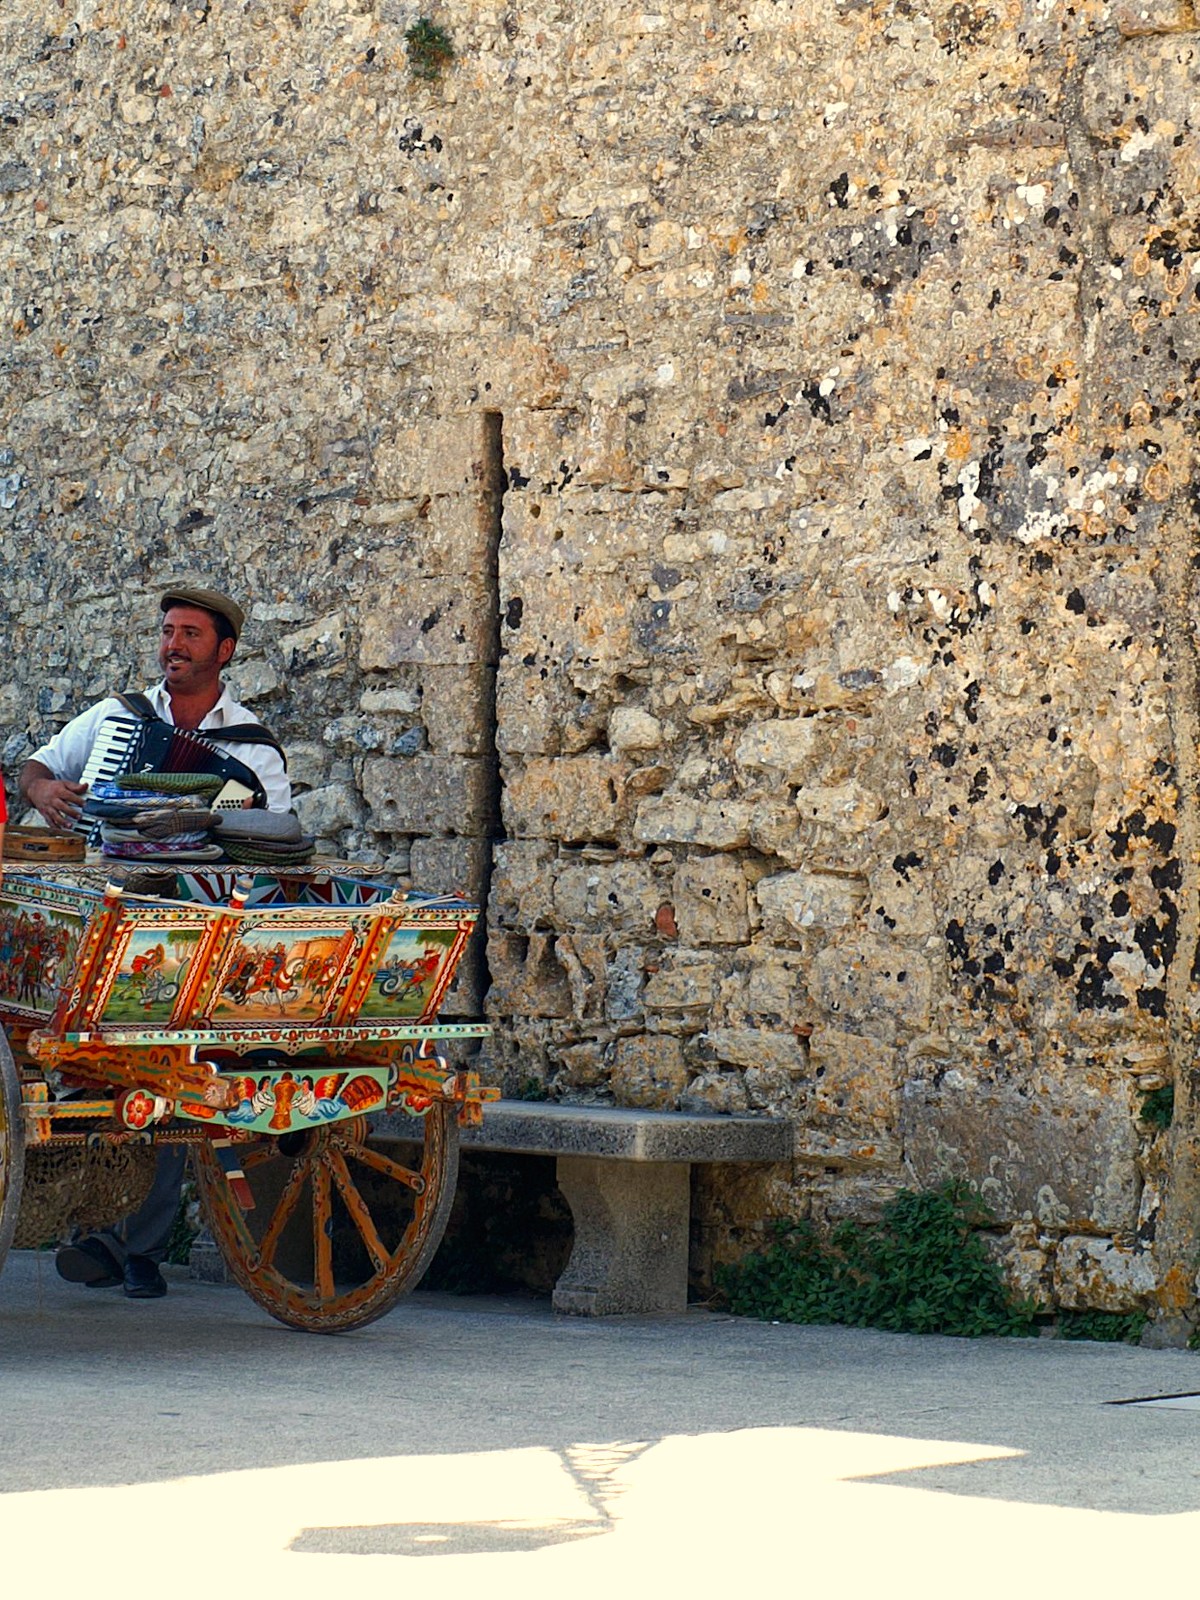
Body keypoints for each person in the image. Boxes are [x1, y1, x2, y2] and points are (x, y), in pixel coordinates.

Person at [19, 585, 292, 1300]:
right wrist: (47, 795)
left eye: (190, 635)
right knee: (112, 1064)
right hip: (105, 909)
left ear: (223, 651)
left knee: (174, 1069)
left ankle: (129, 1244)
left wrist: (222, 830)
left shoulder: (253, 750)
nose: (173, 645)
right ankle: (108, 1235)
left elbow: (278, 839)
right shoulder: (118, 717)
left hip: (199, 924)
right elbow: (36, 769)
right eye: (168, 632)